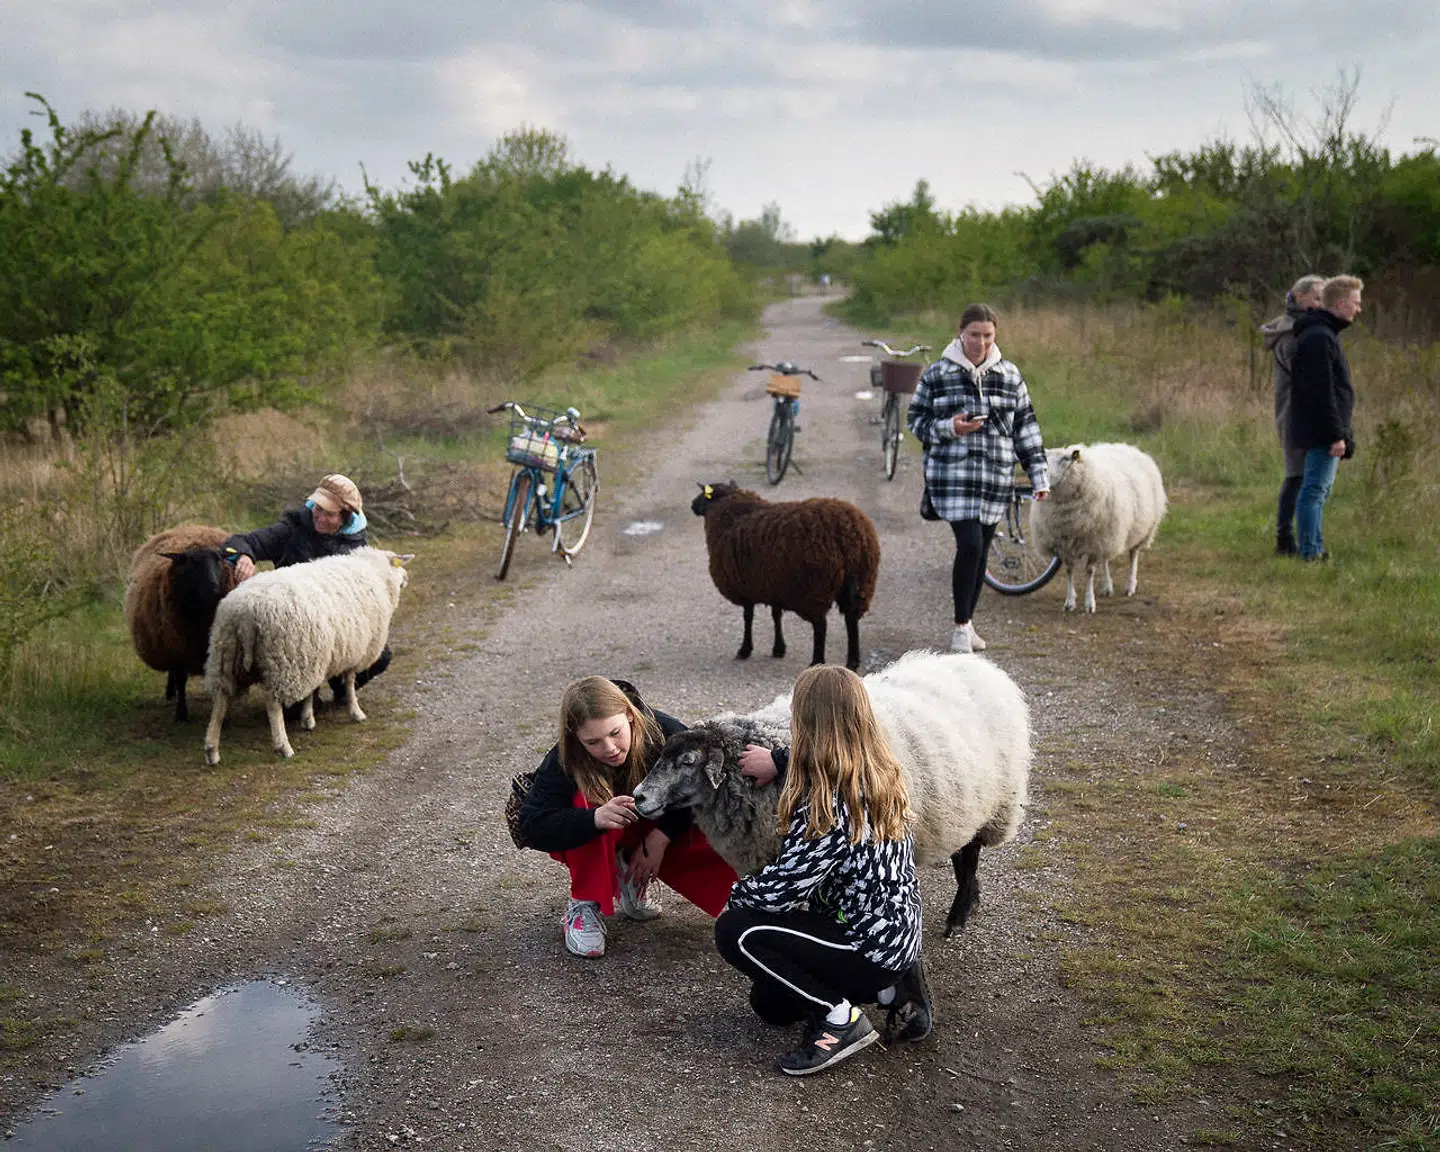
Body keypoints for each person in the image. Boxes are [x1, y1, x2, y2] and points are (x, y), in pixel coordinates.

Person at [715, 665, 928, 1077]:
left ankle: (841, 1019)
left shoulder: (829, 802)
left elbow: (784, 889)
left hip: (866, 944)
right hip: (892, 931)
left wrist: (737, 895)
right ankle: (888, 990)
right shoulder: (877, 769)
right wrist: (781, 758)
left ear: (805, 723)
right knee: (771, 1005)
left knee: (735, 931)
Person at [516, 676, 739, 959]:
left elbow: (708, 787)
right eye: (593, 741)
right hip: (606, 830)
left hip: (654, 829)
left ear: (630, 716)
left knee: (717, 821)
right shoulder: (564, 758)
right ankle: (585, 902)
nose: (609, 748)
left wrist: (663, 836)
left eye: (615, 732)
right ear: (575, 737)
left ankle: (631, 876)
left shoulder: (666, 733)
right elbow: (531, 824)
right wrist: (593, 819)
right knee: (585, 801)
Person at [907, 303, 1049, 653]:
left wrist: (1039, 475)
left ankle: (967, 624)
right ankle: (959, 628)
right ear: (960, 333)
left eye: (987, 336)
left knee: (982, 550)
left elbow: (1026, 428)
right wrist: (949, 427)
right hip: (952, 477)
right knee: (969, 545)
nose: (980, 343)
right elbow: (915, 420)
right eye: (974, 335)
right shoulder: (937, 374)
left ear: (995, 335)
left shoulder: (1010, 375)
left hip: (994, 478)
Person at [222, 473, 392, 692]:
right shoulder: (290, 531)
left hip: (337, 628)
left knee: (380, 656)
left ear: (345, 517)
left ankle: (341, 688)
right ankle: (305, 691)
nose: (320, 517)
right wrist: (244, 555)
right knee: (294, 705)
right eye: (317, 509)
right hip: (295, 629)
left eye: (329, 514)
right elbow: (240, 542)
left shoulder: (356, 545)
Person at [1289, 276, 1363, 562]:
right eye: (1356, 303)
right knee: (1314, 491)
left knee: (1320, 491)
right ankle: (1309, 552)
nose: (1359, 309)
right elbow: (1321, 392)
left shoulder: (1325, 333)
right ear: (1341, 304)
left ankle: (1315, 548)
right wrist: (1336, 434)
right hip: (1323, 431)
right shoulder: (1319, 336)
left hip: (1325, 429)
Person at [1260, 275, 1327, 555]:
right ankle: (1284, 540)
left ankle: (1297, 539)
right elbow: (1306, 375)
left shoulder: (1304, 327)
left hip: (1301, 412)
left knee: (1302, 478)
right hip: (1292, 413)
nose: (1321, 304)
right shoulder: (1290, 333)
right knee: (1295, 476)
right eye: (1317, 298)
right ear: (1300, 298)